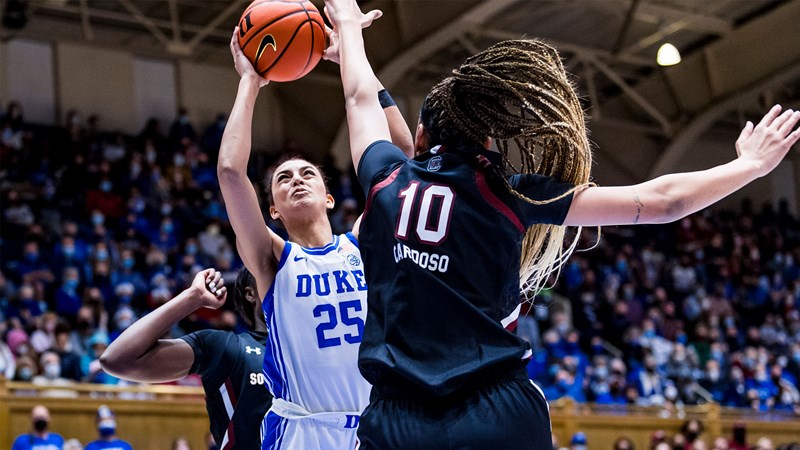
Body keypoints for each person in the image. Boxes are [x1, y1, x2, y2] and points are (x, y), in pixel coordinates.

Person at [324, 0, 800, 447]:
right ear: (490, 140)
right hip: (496, 409)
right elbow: (660, 201)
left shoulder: (384, 178)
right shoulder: (514, 192)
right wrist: (749, 167)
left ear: (421, 135)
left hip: (399, 417)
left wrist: (347, 25)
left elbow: (358, 97)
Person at [220, 15, 413, 449]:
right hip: (304, 430)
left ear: (329, 196)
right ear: (272, 209)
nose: (296, 180)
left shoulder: (362, 243)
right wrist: (249, 83)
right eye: (283, 179)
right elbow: (231, 172)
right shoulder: (272, 259)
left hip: (378, 425)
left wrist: (354, 62)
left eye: (307, 172)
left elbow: (403, 155)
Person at [100, 268, 270, 449]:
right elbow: (117, 359)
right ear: (251, 293)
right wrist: (193, 297)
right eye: (276, 275)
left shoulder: (302, 351)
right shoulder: (228, 346)